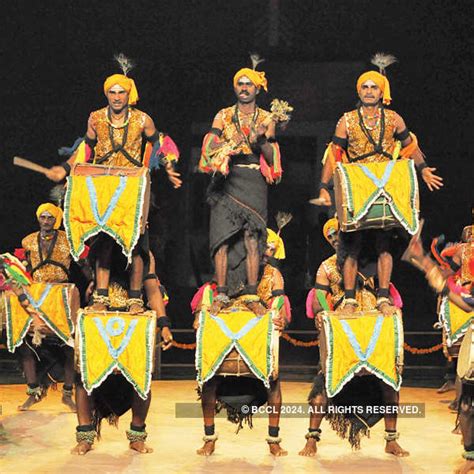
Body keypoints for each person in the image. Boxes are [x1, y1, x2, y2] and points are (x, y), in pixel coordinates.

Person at [45, 60, 182, 314]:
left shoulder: (142, 119)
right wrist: (64, 169)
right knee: (105, 240)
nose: (117, 97)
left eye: (121, 92)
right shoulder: (96, 118)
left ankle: (134, 299)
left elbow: (159, 143)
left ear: (129, 94)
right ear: (106, 94)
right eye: (112, 92)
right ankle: (101, 296)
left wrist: (170, 168)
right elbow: (85, 147)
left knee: (137, 244)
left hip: (132, 186)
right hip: (103, 185)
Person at [315, 55, 443, 317]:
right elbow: (334, 154)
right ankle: (349, 299)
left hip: (387, 186)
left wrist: (423, 169)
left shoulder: (394, 119)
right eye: (365, 87)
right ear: (359, 91)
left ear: (382, 91)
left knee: (384, 244)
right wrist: (323, 187)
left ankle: (383, 296)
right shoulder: (347, 121)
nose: (370, 91)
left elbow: (410, 146)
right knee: (352, 243)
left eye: (375, 87)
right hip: (358, 186)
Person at [300, 217, 408, 457]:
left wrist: (387, 305)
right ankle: (311, 439)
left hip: (374, 327)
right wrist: (321, 312)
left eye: (337, 233)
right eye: (330, 237)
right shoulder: (327, 267)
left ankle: (391, 440)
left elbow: (387, 290)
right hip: (344, 332)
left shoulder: (372, 261)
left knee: (388, 381)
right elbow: (318, 295)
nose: (335, 238)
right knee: (324, 383)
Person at [191, 227, 290, 457]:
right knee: (210, 379)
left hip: (256, 331)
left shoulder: (273, 274)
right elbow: (210, 293)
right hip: (227, 328)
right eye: (263, 247)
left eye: (270, 249)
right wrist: (202, 314)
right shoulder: (231, 266)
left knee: (273, 380)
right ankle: (209, 438)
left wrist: (276, 316)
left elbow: (278, 304)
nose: (266, 252)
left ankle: (273, 440)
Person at [199, 59, 284, 314]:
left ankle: (251, 294)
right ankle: (222, 293)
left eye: (249, 84)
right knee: (222, 238)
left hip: (253, 180)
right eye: (240, 83)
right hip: (227, 180)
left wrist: (259, 140)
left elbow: (271, 156)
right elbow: (211, 144)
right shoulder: (223, 115)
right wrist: (227, 143)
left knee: (252, 238)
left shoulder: (268, 118)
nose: (244, 88)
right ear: (234, 88)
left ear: (258, 89)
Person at [71, 250, 173, 455]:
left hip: (133, 320)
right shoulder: (101, 246)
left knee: (140, 379)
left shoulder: (145, 255)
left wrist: (164, 324)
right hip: (99, 318)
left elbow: (152, 289)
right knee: (83, 376)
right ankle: (85, 436)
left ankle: (137, 436)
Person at [402, 223, 473, 473]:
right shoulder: (465, 253)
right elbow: (456, 295)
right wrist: (422, 260)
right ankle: (470, 455)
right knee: (467, 405)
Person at [14, 203, 84, 411]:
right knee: (24, 342)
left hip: (61, 294)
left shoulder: (68, 240)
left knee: (69, 344)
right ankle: (33, 391)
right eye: (43, 217)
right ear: (38, 218)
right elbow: (19, 268)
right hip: (35, 294)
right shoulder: (27, 241)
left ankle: (68, 393)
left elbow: (86, 264)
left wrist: (92, 284)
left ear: (57, 220)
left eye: (50, 218)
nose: (46, 221)